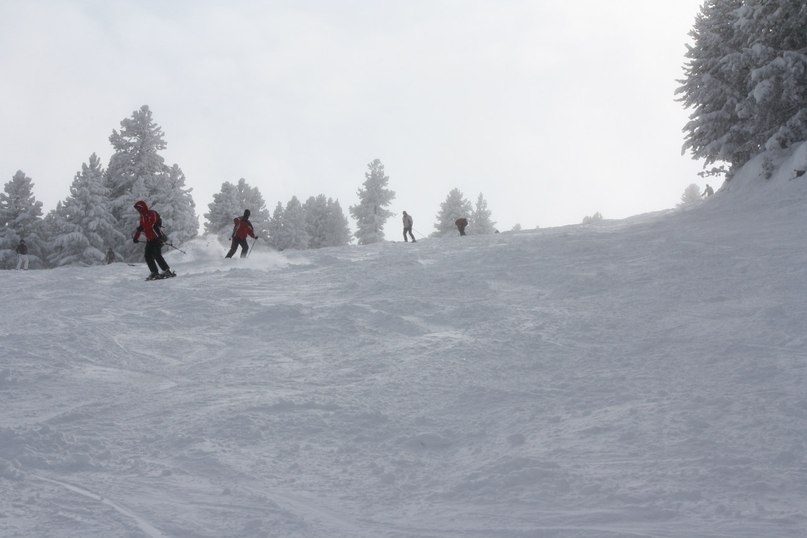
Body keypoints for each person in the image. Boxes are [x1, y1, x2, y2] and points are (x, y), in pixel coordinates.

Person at [132, 200, 175, 280]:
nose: (138, 210)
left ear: (143, 207)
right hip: (150, 239)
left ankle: (167, 271)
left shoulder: (151, 213)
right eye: (137, 209)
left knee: (157, 255)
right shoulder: (142, 217)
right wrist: (136, 237)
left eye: (139, 208)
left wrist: (143, 227)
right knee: (147, 256)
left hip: (157, 237)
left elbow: (152, 223)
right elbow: (140, 228)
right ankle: (154, 272)